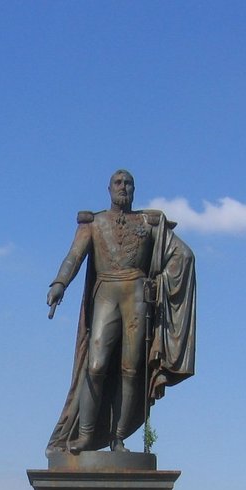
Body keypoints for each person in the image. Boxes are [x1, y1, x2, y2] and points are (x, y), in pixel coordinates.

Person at [45, 170, 196, 456]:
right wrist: (59, 283)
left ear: (134, 190)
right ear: (109, 189)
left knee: (130, 369)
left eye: (128, 183)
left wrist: (161, 281)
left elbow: (183, 255)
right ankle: (85, 436)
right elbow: (74, 256)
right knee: (95, 365)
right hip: (106, 293)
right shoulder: (94, 222)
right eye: (118, 183)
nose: (123, 187)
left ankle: (118, 438)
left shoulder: (149, 223)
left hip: (137, 295)